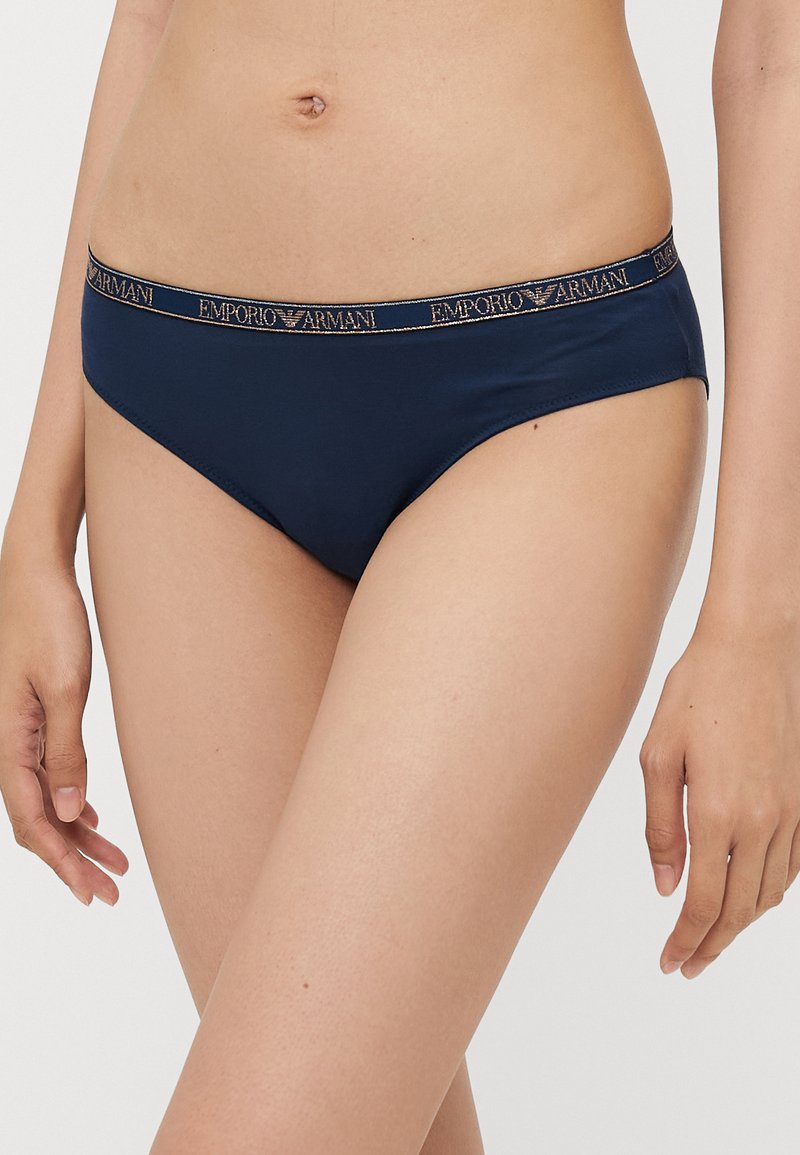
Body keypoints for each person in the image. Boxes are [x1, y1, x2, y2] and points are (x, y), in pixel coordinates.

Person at [1, 2, 798, 1152]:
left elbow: (775, 55)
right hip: (166, 399)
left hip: (538, 383)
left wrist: (757, 619)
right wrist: (36, 523)